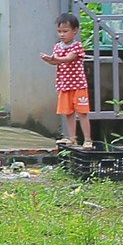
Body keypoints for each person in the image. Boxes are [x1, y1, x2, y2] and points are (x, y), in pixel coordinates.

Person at [43, 13, 93, 147]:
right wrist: (50, 60)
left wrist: (53, 59)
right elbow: (56, 62)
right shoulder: (57, 47)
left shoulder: (77, 46)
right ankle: (72, 138)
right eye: (59, 31)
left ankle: (87, 139)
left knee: (82, 112)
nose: (62, 34)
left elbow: (68, 58)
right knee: (68, 113)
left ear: (75, 31)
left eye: (65, 31)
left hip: (78, 85)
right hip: (64, 85)